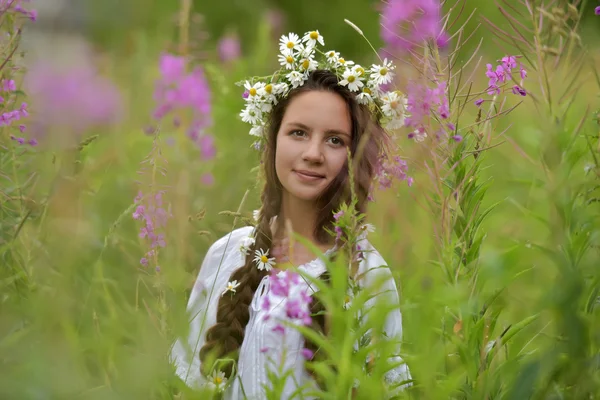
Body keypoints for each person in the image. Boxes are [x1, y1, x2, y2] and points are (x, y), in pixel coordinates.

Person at [171, 30, 411, 399]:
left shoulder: (368, 273)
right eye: (298, 132)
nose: (313, 153)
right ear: (273, 140)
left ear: (356, 157)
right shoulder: (226, 256)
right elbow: (190, 385)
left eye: (335, 140)